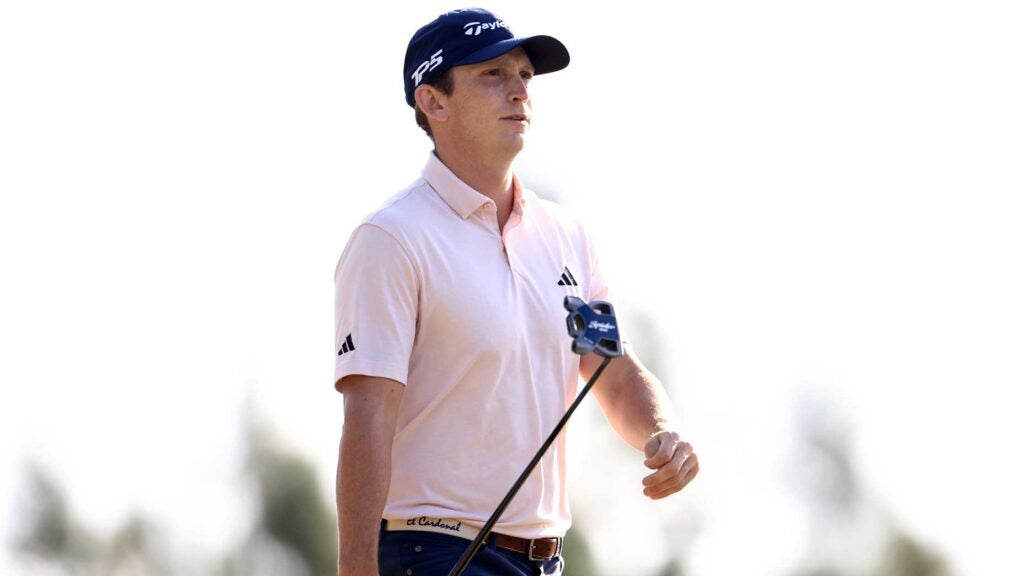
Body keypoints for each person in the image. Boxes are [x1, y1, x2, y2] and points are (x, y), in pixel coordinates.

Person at [333, 8, 699, 576]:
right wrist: (356, 568)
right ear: (433, 101)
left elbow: (613, 373)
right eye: (493, 76)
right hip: (431, 553)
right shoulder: (391, 238)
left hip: (544, 560)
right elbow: (368, 413)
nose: (519, 92)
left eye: (525, 76)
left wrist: (662, 430)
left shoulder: (568, 237)